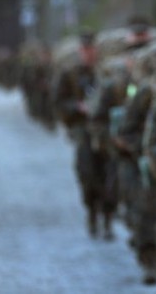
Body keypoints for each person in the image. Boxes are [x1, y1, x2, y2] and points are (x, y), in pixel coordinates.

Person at [51, 31, 103, 237]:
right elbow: (58, 101)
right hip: (82, 127)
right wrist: (77, 107)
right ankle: (92, 212)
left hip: (105, 128)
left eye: (91, 49)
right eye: (85, 50)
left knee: (108, 175)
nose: (89, 53)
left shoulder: (105, 72)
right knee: (87, 172)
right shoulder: (70, 73)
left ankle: (107, 214)